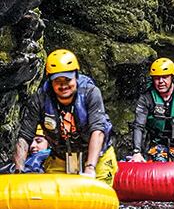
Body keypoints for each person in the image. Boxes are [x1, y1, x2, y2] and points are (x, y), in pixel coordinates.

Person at [11, 49, 117, 185]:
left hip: (98, 157)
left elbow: (97, 130)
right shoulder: (40, 99)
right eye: (57, 81)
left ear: (76, 76)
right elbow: (25, 136)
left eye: (67, 79)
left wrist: (90, 168)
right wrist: (18, 172)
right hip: (61, 158)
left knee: (96, 199)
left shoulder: (90, 92)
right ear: (50, 81)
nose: (63, 85)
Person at [130, 57, 174, 162]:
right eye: (157, 78)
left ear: (172, 78)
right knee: (158, 161)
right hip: (158, 143)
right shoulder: (146, 98)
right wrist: (136, 152)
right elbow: (138, 126)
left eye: (165, 77)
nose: (161, 82)